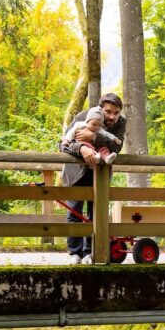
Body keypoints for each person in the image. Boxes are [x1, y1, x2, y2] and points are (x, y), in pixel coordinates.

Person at [60, 93, 126, 265]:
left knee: (95, 214)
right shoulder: (82, 117)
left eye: (116, 112)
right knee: (74, 212)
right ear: (100, 109)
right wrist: (82, 147)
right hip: (77, 173)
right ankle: (74, 253)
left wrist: (94, 137)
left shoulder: (120, 123)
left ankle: (90, 252)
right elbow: (63, 144)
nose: (112, 116)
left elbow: (116, 147)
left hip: (100, 173)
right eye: (108, 112)